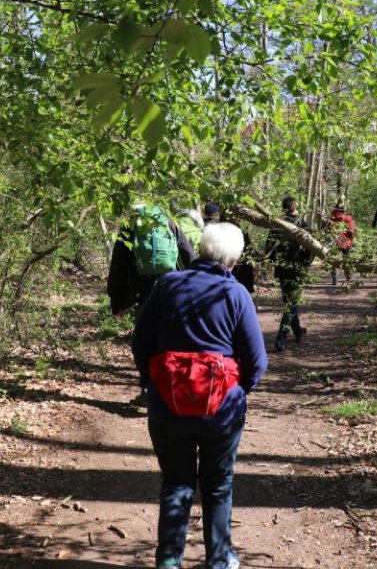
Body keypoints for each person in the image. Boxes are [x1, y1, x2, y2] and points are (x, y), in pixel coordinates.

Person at [132, 223, 268, 569]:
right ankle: (219, 561)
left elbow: (140, 343)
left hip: (167, 404)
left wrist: (153, 385)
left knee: (176, 482)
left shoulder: (166, 285)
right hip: (221, 411)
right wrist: (238, 393)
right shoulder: (235, 293)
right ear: (233, 260)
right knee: (218, 484)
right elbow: (257, 361)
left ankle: (168, 561)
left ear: (201, 249)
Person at [107, 203, 198, 406]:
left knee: (144, 342)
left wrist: (117, 301)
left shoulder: (130, 228)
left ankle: (148, 391)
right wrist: (199, 289)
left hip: (144, 293)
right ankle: (176, 390)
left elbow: (118, 267)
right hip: (173, 290)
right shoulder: (169, 223)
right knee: (173, 339)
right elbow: (189, 255)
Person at [265, 197, 312, 352]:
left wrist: (273, 263)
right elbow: (311, 247)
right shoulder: (302, 223)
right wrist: (306, 263)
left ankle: (298, 330)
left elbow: (269, 247)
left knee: (290, 302)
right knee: (291, 304)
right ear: (294, 207)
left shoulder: (277, 224)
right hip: (296, 269)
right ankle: (281, 337)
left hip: (283, 269)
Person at [325, 203, 355, 285]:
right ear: (345, 210)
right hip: (345, 242)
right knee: (346, 260)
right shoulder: (348, 218)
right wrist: (351, 239)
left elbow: (327, 230)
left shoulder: (332, 218)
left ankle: (335, 279)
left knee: (334, 260)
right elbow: (351, 232)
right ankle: (349, 278)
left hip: (334, 241)